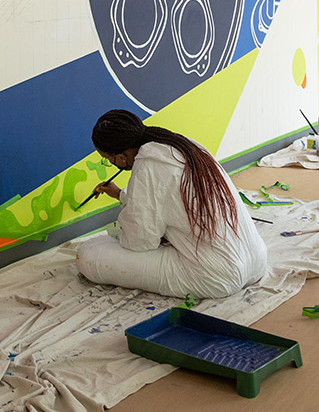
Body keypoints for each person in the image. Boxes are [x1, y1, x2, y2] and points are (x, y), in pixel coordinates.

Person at [75, 109, 267, 299]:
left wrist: (125, 226)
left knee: (88, 254)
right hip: (256, 260)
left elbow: (140, 241)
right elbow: (167, 198)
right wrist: (120, 195)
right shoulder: (182, 145)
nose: (112, 164)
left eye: (108, 160)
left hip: (215, 276)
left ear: (120, 156)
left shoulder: (148, 165)